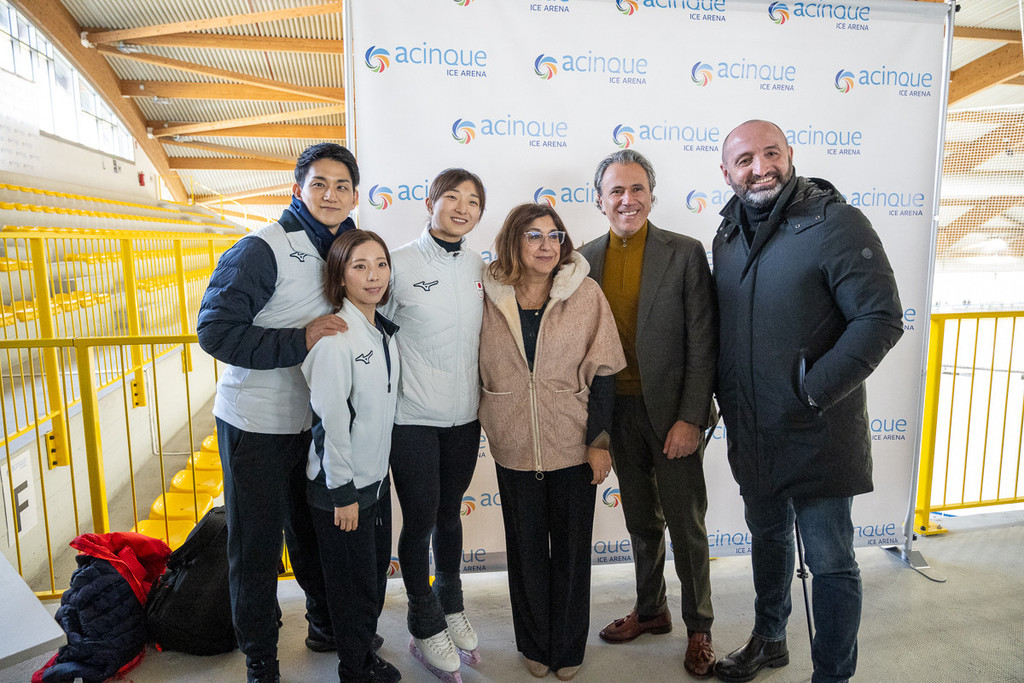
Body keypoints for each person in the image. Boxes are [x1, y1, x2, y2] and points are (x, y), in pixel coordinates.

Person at [712, 119, 903, 683]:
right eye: (745, 160)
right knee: (768, 542)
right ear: (726, 172)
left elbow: (880, 318)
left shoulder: (835, 222)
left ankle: (832, 675)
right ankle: (769, 639)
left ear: (790, 155)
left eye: (771, 153)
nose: (761, 168)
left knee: (831, 562)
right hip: (754, 429)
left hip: (819, 430)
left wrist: (813, 392)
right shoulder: (726, 234)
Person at [197, 143, 357, 683]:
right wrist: (300, 339)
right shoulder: (261, 248)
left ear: (355, 195)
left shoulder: (347, 246)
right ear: (297, 190)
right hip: (257, 423)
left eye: (341, 185)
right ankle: (260, 656)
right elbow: (215, 332)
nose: (331, 195)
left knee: (312, 536)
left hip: (313, 421)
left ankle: (323, 625)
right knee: (257, 545)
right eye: (319, 184)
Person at [578, 149, 719, 678]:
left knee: (686, 524)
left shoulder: (685, 253)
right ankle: (651, 608)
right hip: (617, 412)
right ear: (600, 200)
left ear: (652, 196)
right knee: (640, 520)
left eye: (637, 189)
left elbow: (703, 342)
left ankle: (700, 626)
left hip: (672, 416)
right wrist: (596, 427)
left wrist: (691, 418)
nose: (627, 199)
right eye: (616, 190)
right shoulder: (584, 259)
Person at [478, 203, 625, 681]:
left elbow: (605, 370)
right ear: (513, 241)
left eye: (554, 235)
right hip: (513, 443)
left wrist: (599, 442)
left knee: (571, 553)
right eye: (534, 236)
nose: (546, 246)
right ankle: (534, 643)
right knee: (525, 553)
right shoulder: (487, 294)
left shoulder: (586, 293)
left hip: (573, 443)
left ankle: (567, 647)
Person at [381, 169, 486, 678]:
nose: (462, 208)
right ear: (430, 202)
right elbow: (370, 330)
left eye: (473, 201)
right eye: (452, 197)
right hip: (412, 418)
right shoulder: (396, 264)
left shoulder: (479, 266)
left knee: (450, 515)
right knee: (421, 518)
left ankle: (451, 602)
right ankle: (423, 620)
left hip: (464, 417)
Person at [302, 229, 401, 683]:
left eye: (380, 264)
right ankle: (355, 670)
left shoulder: (381, 332)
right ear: (340, 277)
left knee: (372, 580)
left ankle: (362, 654)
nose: (373, 275)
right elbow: (330, 424)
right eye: (359, 266)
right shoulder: (335, 339)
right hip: (341, 490)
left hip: (374, 482)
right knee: (351, 590)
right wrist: (342, 493)